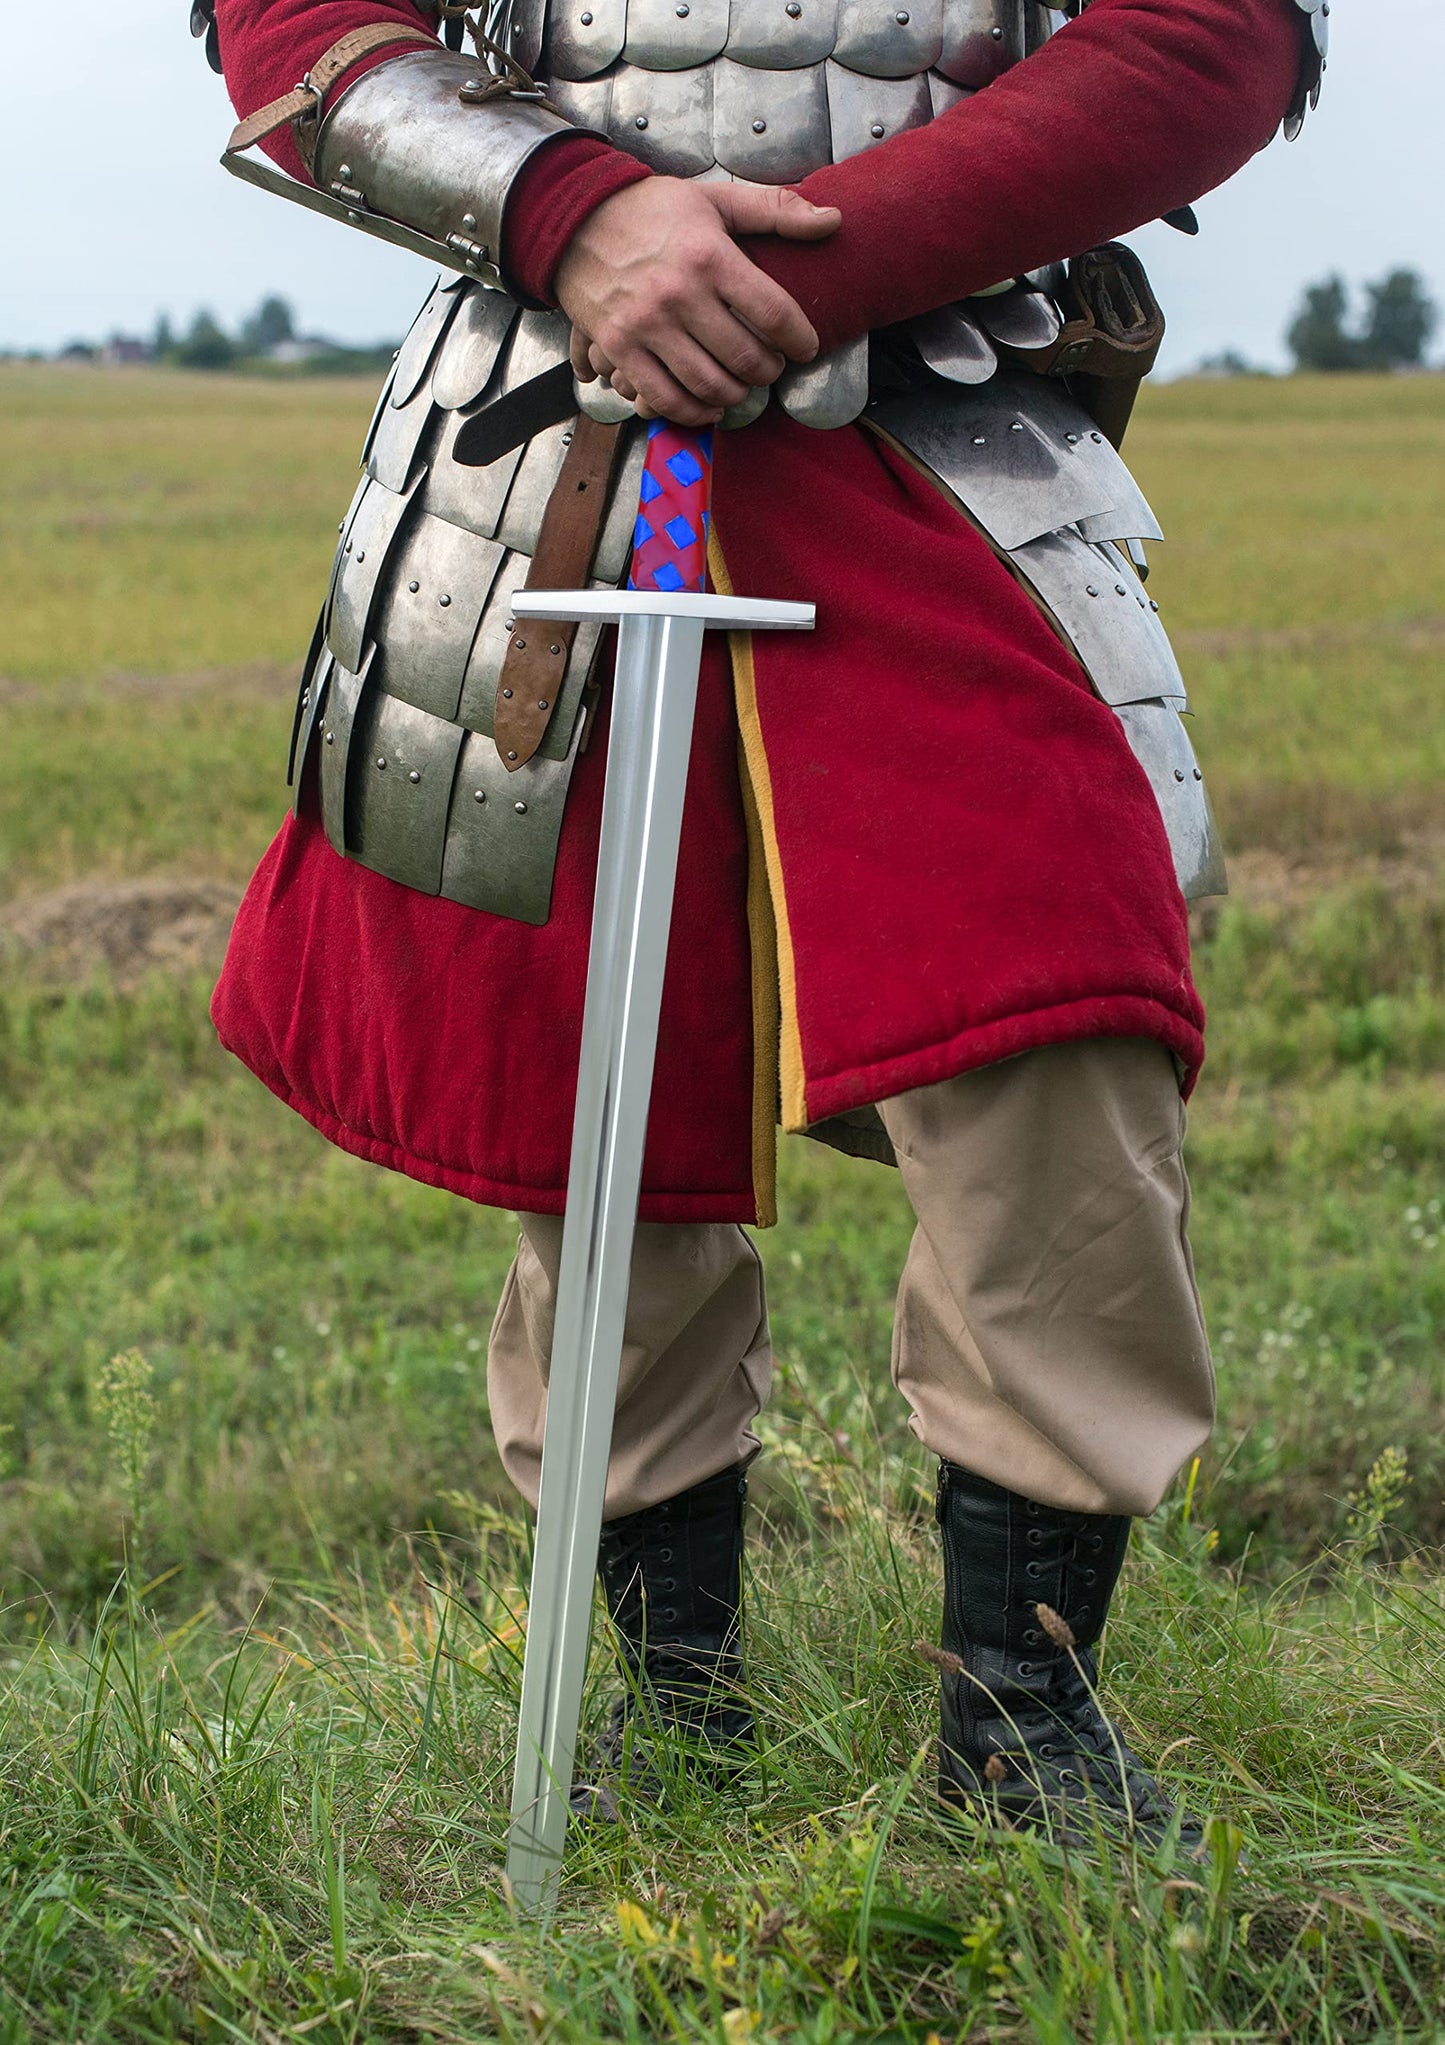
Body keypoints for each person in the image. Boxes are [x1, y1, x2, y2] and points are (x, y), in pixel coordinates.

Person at [205, 0, 1325, 1842]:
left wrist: (789, 269)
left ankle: (1020, 1721)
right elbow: (299, 23)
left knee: (1053, 1028)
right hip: (549, 443)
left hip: (943, 440)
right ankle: (669, 1701)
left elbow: (1204, 36)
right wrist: (579, 212)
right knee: (597, 1094)